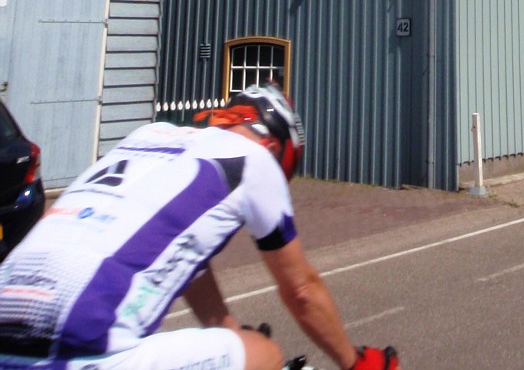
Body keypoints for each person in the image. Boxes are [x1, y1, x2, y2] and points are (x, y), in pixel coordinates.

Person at [0, 84, 398, 370]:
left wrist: (226, 330)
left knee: (238, 345)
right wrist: (355, 361)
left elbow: (188, 254)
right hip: (79, 338)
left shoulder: (150, 133)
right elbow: (302, 289)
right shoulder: (254, 162)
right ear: (277, 147)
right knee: (265, 355)